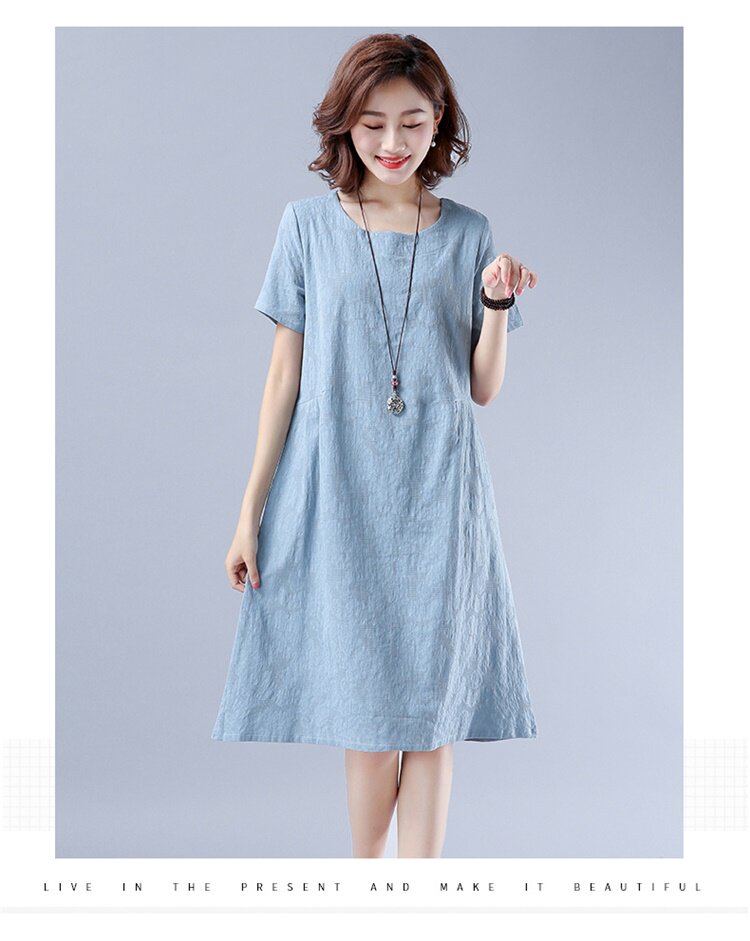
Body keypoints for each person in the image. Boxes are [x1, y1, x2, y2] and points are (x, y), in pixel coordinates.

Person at [211, 32, 539, 859]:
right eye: (373, 125)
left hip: (440, 494)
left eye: (413, 123)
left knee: (432, 713)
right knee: (365, 711)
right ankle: (366, 889)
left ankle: (417, 892)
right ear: (344, 125)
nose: (393, 143)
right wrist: (249, 514)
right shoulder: (306, 227)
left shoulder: (469, 233)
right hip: (341, 490)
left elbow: (482, 387)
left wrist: (496, 306)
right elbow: (282, 379)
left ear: (440, 123)